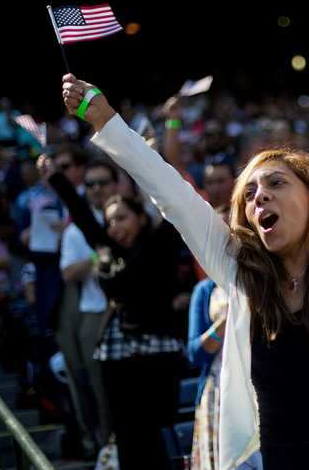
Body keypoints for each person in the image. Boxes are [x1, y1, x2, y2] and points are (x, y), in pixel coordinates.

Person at [61, 0, 309, 470]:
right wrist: (106, 122)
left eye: (276, 184)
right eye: (250, 193)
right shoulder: (241, 276)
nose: (259, 197)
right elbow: (172, 196)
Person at [43, 163, 186, 469]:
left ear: (141, 217)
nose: (115, 227)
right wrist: (57, 179)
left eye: (122, 218)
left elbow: (174, 203)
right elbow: (82, 217)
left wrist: (152, 159)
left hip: (157, 345)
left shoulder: (159, 243)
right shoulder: (107, 248)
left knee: (155, 429)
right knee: (125, 430)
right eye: (110, 222)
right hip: (116, 346)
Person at [188, 206, 263, 470]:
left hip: (261, 383)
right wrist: (226, 320)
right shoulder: (204, 290)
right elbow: (195, 353)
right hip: (219, 391)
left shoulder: (262, 280)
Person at [52, 158, 117, 458]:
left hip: (128, 313)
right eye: (90, 185)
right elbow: (67, 273)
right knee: (98, 385)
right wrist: (96, 259)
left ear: (115, 185)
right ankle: (103, 446)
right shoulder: (76, 230)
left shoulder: (128, 216)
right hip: (94, 312)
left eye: (103, 182)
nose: (97, 189)